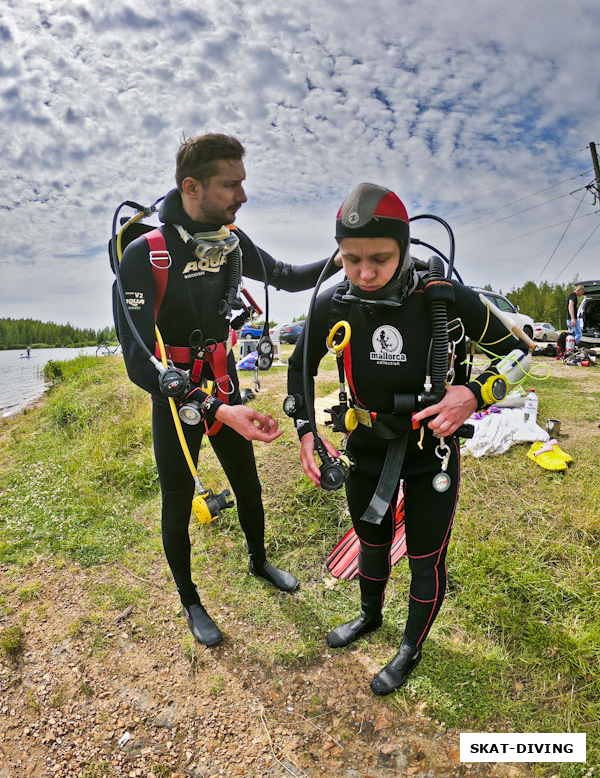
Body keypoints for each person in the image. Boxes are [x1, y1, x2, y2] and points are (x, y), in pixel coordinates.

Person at [287, 182, 528, 694]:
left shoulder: (443, 297)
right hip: (366, 445)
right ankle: (370, 616)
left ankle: (409, 647)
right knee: (371, 543)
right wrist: (306, 430)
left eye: (379, 258)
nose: (365, 273)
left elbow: (521, 354)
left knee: (424, 556)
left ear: (404, 248)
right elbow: (298, 366)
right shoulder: (334, 301)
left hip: (429, 452)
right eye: (351, 260)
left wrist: (477, 393)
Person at [117, 133, 339, 647]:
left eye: (243, 183)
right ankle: (190, 600)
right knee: (177, 498)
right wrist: (214, 408)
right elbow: (136, 361)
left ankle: (259, 562)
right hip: (177, 397)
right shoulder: (144, 254)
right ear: (191, 187)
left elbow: (285, 275)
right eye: (231, 185)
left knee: (248, 484)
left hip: (222, 379)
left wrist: (347, 251)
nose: (243, 196)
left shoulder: (230, 239)